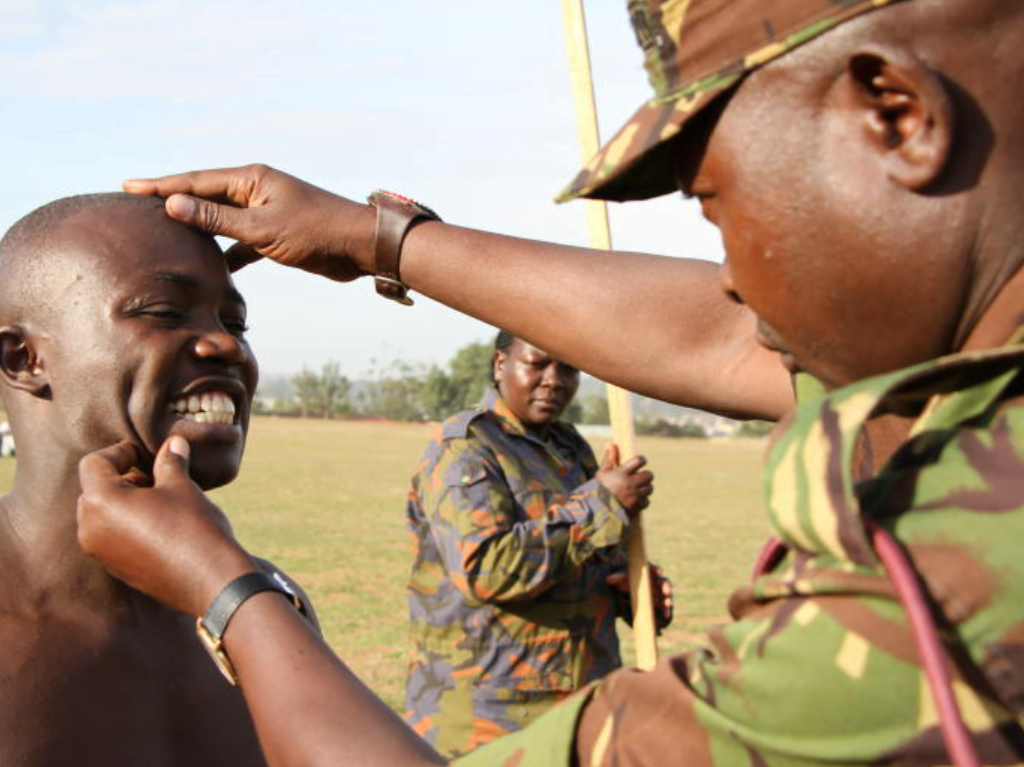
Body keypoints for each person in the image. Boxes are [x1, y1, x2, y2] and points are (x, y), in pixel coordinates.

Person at [76, 0, 1024, 765]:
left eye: (714, 200)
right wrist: (382, 239)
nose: (731, 272)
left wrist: (228, 587)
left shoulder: (957, 579)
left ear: (894, 115)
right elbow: (723, 337)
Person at [0, 193, 315, 767]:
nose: (227, 345)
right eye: (163, 312)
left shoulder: (265, 608)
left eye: (234, 322)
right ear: (23, 360)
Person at [405, 330, 669, 756]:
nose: (554, 379)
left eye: (567, 367)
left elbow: (585, 557)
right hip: (491, 719)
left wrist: (630, 591)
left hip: (582, 706)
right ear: (500, 365)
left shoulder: (570, 448)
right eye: (538, 363)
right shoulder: (466, 450)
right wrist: (601, 502)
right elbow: (486, 570)